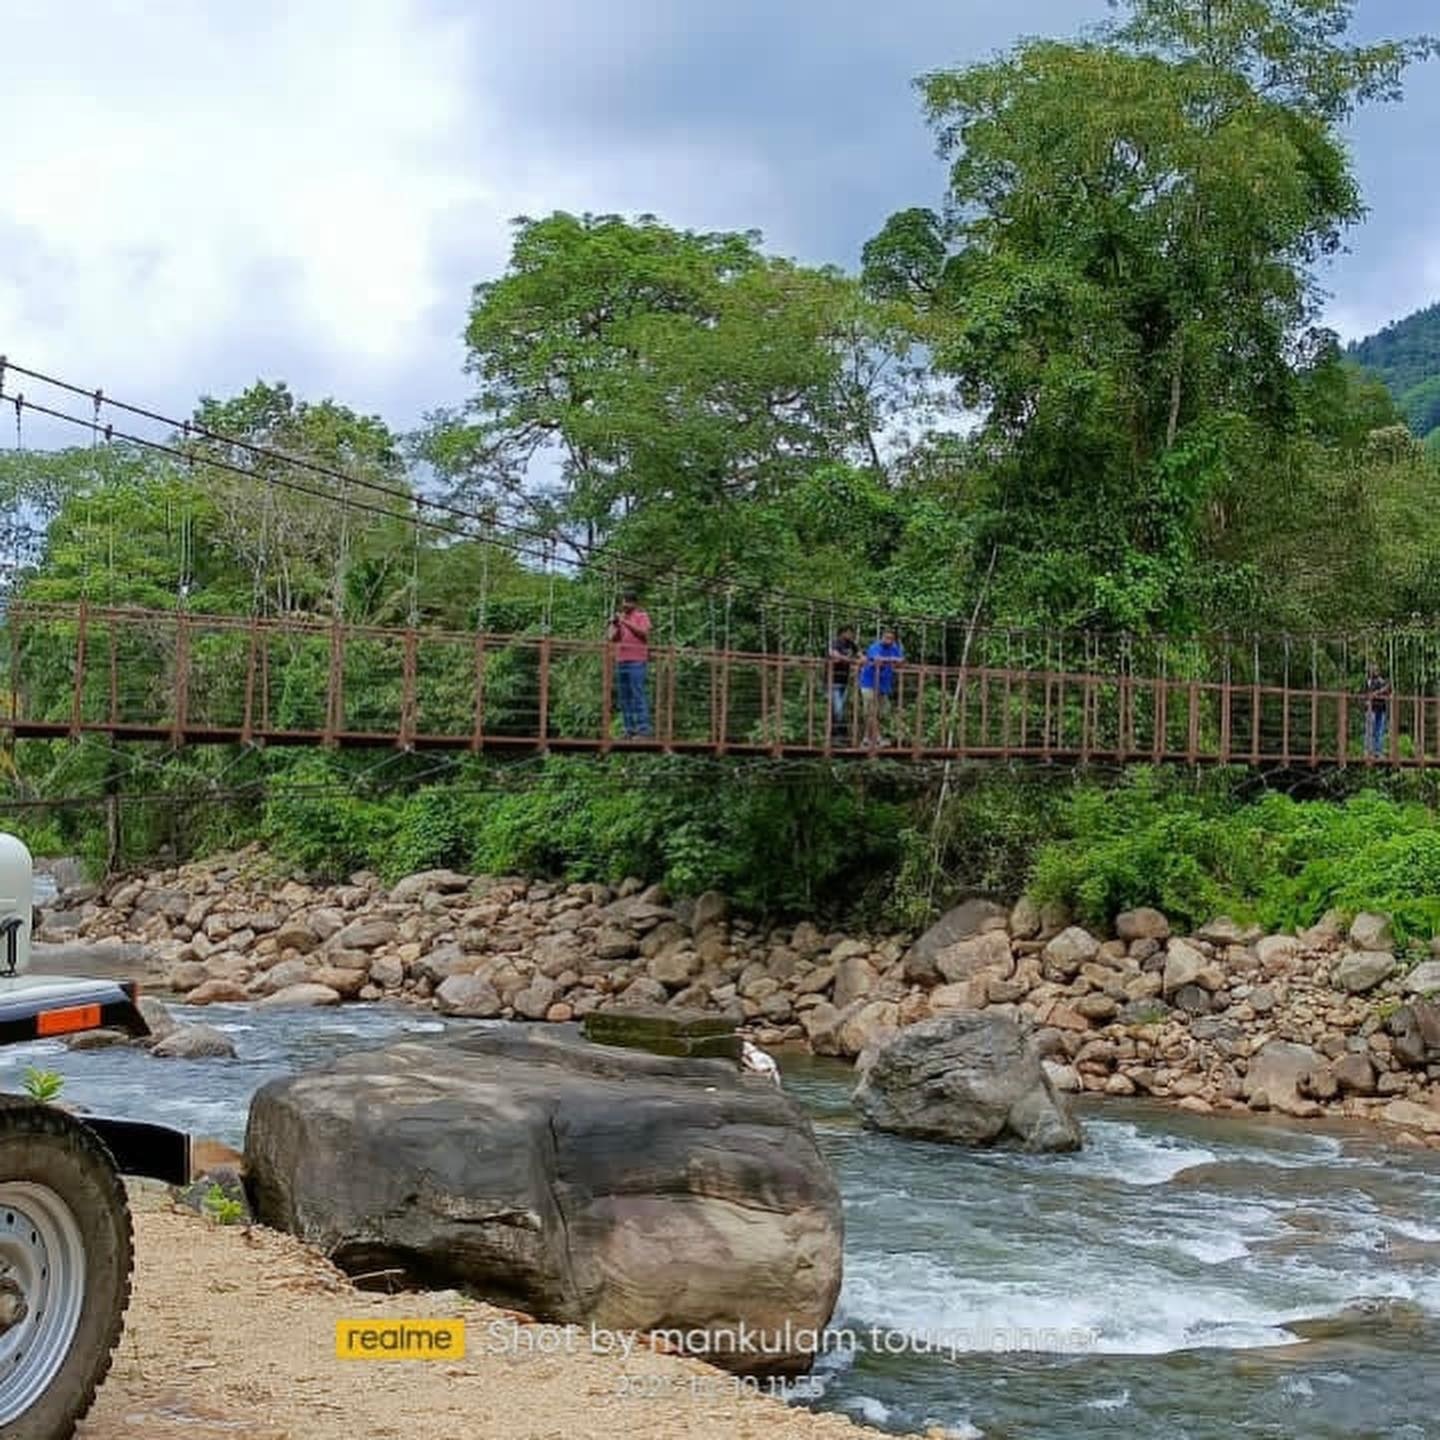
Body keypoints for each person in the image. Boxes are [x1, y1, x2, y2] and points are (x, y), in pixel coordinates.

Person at [609, 590, 652, 738]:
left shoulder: (641, 616)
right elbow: (612, 638)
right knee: (624, 697)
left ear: (634, 603)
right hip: (621, 660)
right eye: (624, 602)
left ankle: (643, 729)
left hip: (637, 660)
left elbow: (644, 633)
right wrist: (615, 624)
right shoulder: (621, 619)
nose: (625, 605)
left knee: (637, 694)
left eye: (628, 602)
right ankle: (629, 729)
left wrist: (625, 622)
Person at [859, 627, 904, 747]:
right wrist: (892, 660)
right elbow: (877, 660)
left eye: (891, 638)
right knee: (871, 711)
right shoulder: (875, 647)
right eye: (886, 638)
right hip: (869, 683)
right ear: (882, 637)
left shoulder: (894, 648)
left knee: (880, 712)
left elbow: (901, 661)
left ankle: (866, 738)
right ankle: (878, 738)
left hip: (883, 684)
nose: (888, 640)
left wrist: (891, 660)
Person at [827, 626, 859, 734]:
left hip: (844, 680)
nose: (851, 635)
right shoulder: (835, 643)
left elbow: (861, 656)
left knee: (840, 708)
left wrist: (857, 661)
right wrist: (850, 660)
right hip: (833, 680)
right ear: (842, 633)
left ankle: (836, 733)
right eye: (849, 633)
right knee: (838, 708)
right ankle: (838, 733)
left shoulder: (852, 645)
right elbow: (834, 654)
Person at [1363, 664, 1391, 760]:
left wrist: (1380, 692)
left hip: (1381, 709)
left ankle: (1378, 751)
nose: (1375, 671)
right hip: (1371, 709)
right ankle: (1368, 751)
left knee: (1380, 732)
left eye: (1376, 670)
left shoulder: (1382, 681)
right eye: (1373, 670)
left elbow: (1388, 691)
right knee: (1370, 730)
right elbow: (1368, 695)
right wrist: (1379, 692)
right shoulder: (1368, 682)